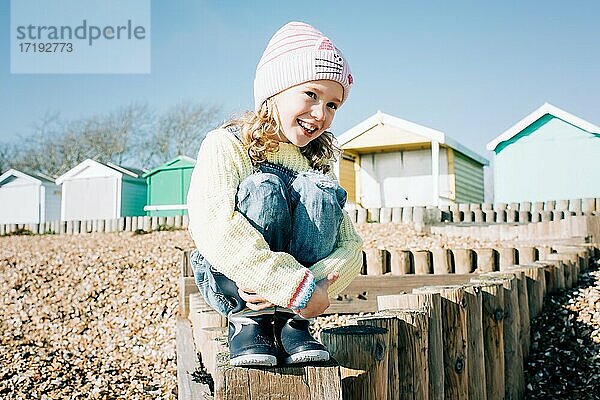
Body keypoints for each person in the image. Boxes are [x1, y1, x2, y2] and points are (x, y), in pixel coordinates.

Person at [187, 21, 363, 367]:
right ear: (275, 90)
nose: (320, 113)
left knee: (318, 192)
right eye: (311, 94)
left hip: (297, 299)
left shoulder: (316, 164)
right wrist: (286, 284)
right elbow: (214, 225)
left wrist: (312, 288)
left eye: (332, 105)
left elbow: (352, 245)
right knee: (263, 189)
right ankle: (248, 324)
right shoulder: (226, 144)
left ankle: (291, 326)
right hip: (239, 282)